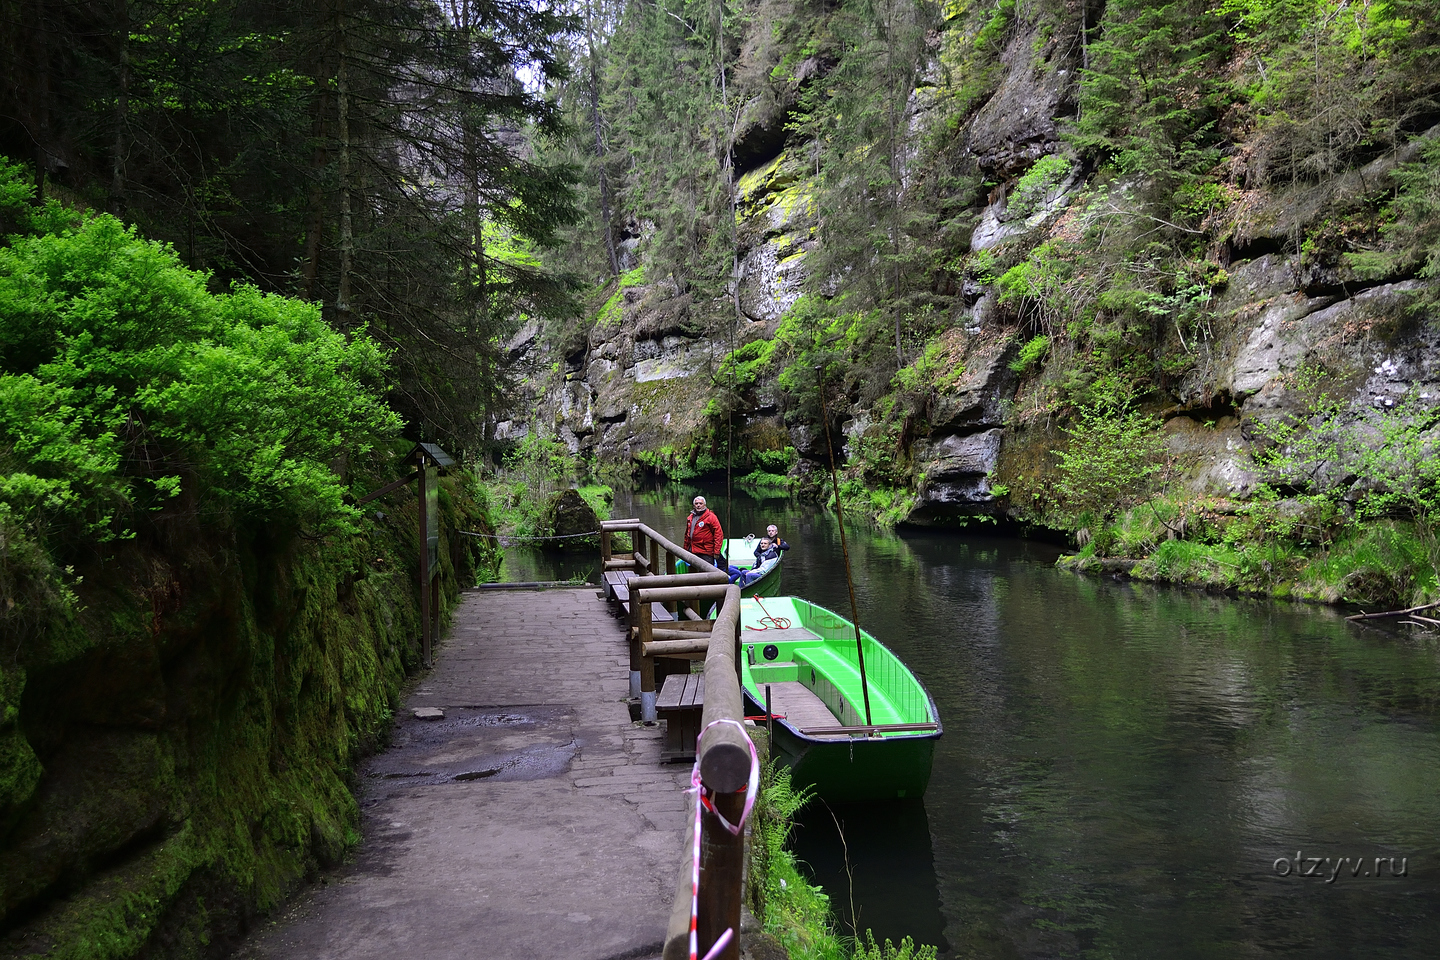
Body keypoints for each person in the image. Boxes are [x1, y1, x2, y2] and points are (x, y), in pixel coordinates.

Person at [683, 495, 724, 570]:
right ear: (693, 505)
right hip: (692, 551)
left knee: (707, 574)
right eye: (696, 503)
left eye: (700, 503)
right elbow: (687, 535)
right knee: (692, 573)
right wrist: (685, 550)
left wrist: (716, 551)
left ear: (704, 505)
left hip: (706, 552)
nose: (698, 505)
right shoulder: (690, 518)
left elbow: (718, 534)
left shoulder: (711, 517)